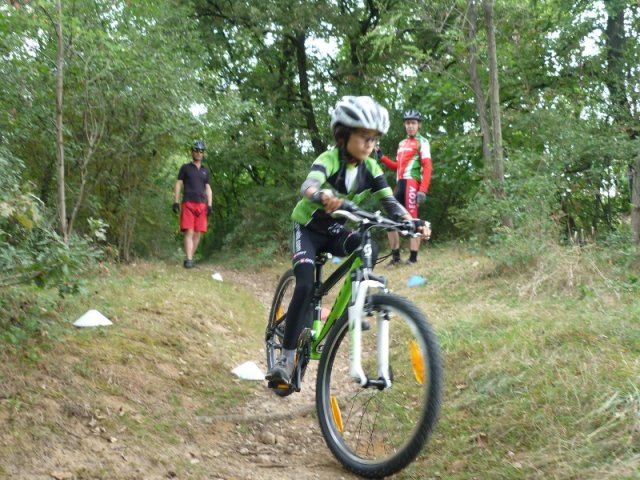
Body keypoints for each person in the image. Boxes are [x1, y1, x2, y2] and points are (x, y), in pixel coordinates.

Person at [265, 96, 431, 385]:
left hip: (334, 231)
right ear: (343, 135)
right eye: (364, 137)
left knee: (369, 247)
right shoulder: (329, 159)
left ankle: (358, 305)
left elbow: (391, 203)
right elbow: (309, 184)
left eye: (374, 138)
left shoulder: (372, 169)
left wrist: (411, 222)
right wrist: (321, 196)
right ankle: (285, 357)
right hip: (308, 228)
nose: (370, 144)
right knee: (304, 284)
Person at [375, 110, 432, 265]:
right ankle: (395, 258)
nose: (410, 126)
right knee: (390, 221)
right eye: (407, 123)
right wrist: (382, 157)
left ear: (419, 125)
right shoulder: (402, 143)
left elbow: (427, 167)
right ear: (404, 125)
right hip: (400, 184)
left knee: (413, 220)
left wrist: (423, 189)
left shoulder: (423, 142)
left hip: (412, 184)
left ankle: (413, 259)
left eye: (413, 123)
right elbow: (397, 166)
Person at [173, 140, 213, 269]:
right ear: (192, 152)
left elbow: (208, 188)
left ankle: (189, 258)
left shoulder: (205, 171)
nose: (198, 153)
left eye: (201, 151)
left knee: (198, 234)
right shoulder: (185, 168)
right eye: (196, 150)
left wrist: (210, 205)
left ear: (203, 154)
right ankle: (189, 260)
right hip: (188, 203)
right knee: (189, 232)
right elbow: (179, 184)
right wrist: (176, 201)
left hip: (202, 205)